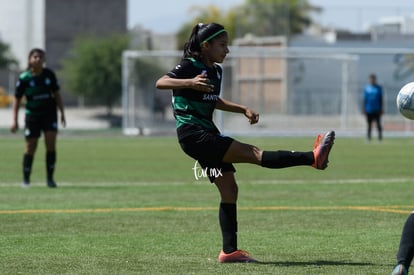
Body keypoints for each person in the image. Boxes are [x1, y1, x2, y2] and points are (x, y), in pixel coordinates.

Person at [155, 22, 335, 263]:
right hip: (195, 135)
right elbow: (161, 82)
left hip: (205, 135)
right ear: (205, 45)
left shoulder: (216, 71)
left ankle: (229, 252)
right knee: (254, 153)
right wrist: (188, 82)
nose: (226, 50)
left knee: (229, 189)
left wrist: (242, 109)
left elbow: (211, 99)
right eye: (222, 45)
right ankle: (312, 158)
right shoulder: (190, 67)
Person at [10, 48, 66, 188]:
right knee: (30, 146)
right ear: (30, 60)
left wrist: (62, 113)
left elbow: (57, 94)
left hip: (49, 115)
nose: (38, 59)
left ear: (44, 60)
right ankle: (26, 179)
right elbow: (16, 100)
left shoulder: (49, 75)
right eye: (35, 57)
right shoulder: (24, 78)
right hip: (32, 116)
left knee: (51, 144)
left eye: (40, 57)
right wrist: (14, 120)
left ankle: (50, 179)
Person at [363, 74, 383, 142]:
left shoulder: (378, 88)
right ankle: (368, 138)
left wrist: (381, 108)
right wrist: (364, 109)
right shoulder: (367, 88)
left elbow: (381, 98)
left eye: (373, 79)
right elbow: (365, 99)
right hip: (369, 109)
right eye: (370, 79)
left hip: (377, 109)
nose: (372, 80)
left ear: (375, 79)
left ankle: (379, 138)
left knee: (378, 124)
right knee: (369, 125)